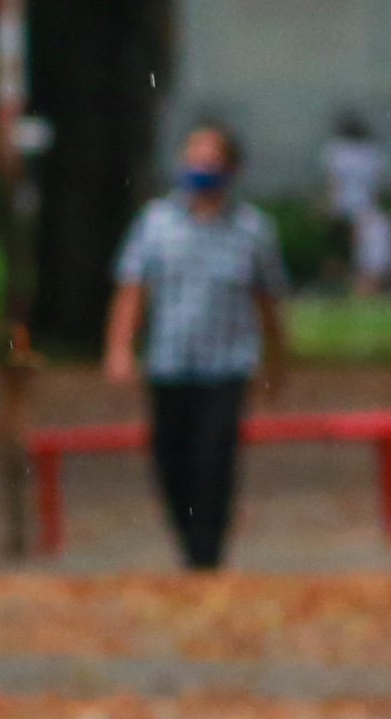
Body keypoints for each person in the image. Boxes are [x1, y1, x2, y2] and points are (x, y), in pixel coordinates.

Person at [102, 117, 290, 571]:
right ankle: (189, 546)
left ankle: (207, 555)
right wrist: (119, 349)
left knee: (214, 461)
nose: (200, 167)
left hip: (226, 366)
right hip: (169, 364)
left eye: (210, 160)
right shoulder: (155, 224)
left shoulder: (252, 230)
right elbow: (133, 291)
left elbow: (267, 302)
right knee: (170, 460)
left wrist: (277, 360)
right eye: (194, 158)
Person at [318, 112, 391, 293]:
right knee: (359, 251)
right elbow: (378, 188)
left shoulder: (336, 151)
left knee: (342, 252)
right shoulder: (371, 153)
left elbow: (333, 183)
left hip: (344, 209)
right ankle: (352, 286)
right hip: (364, 209)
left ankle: (342, 287)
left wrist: (329, 206)